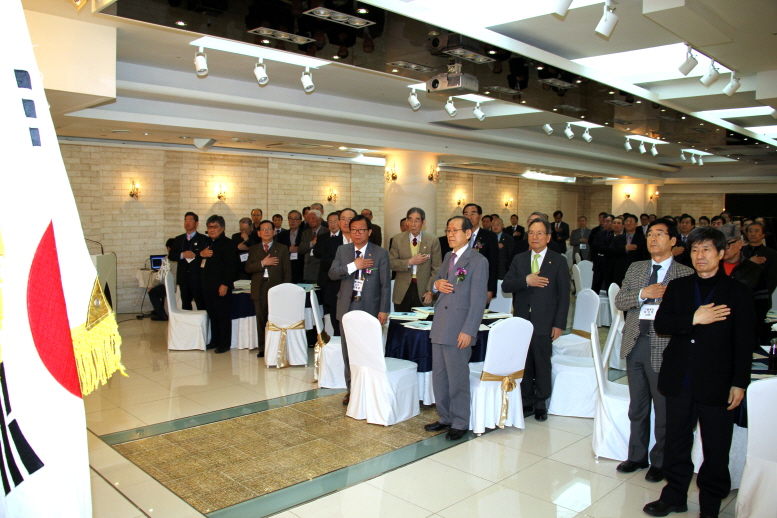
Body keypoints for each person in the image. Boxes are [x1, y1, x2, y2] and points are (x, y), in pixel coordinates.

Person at [644, 226, 754, 518]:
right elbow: (661, 324)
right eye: (695, 250)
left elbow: (744, 342)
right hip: (680, 378)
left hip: (718, 382)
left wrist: (739, 383)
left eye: (706, 249)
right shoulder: (679, 286)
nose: (700, 255)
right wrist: (694, 317)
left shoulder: (738, 292)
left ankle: (710, 505)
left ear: (721, 253)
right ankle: (674, 496)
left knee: (716, 447)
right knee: (677, 441)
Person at [614, 217, 693, 484]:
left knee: (664, 409)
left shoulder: (685, 274)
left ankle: (660, 461)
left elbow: (687, 314)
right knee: (637, 406)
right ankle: (637, 456)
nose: (653, 239)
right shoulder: (636, 268)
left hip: (666, 347)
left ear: (673, 241)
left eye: (660, 234)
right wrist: (642, 293)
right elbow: (620, 300)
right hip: (636, 342)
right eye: (650, 235)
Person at [424, 215, 488, 440]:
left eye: (455, 230)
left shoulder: (478, 261)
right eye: (448, 230)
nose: (450, 234)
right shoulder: (448, 257)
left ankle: (460, 421)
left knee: (457, 378)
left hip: (459, 328)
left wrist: (469, 330)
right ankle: (445, 417)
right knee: (440, 377)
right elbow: (436, 283)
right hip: (441, 325)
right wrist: (435, 285)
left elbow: (478, 301)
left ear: (468, 234)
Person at [502, 217, 570, 421]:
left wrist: (559, 324)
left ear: (548, 237)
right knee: (524, 362)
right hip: (522, 320)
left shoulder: (558, 260)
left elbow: (564, 296)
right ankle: (526, 401)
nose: (535, 237)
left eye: (540, 233)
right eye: (531, 233)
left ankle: (541, 403)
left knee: (541, 363)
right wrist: (526, 280)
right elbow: (506, 285)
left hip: (545, 321)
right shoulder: (520, 259)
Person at [329, 214, 391, 404]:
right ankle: (352, 390)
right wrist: (353, 266)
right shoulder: (343, 250)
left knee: (368, 350)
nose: (357, 233)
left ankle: (370, 389)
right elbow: (332, 274)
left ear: (369, 232)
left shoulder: (380, 253)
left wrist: (384, 310)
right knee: (348, 350)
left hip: (370, 308)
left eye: (361, 230)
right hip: (347, 307)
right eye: (353, 230)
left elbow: (385, 285)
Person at [245, 220, 292, 358]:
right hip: (259, 288)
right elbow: (248, 268)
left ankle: (278, 346)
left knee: (276, 319)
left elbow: (287, 271)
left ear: (274, 231)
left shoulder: (282, 248)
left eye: (269, 229)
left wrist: (285, 290)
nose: (266, 231)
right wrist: (262, 263)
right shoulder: (253, 249)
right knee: (261, 319)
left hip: (276, 289)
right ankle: (263, 347)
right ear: (259, 233)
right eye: (263, 229)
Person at [389, 207, 441, 312]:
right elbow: (391, 263)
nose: (413, 224)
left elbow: (437, 268)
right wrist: (410, 262)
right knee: (401, 320)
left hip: (423, 289)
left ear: (423, 222)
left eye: (417, 221)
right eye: (410, 220)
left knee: (423, 320)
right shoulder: (397, 239)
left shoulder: (432, 240)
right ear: (406, 222)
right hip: (402, 291)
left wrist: (430, 291)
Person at [199, 215, 237, 353]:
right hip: (207, 285)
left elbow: (231, 267)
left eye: (215, 227)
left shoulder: (228, 244)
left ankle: (224, 344)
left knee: (222, 315)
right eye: (209, 227)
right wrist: (201, 254)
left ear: (222, 228)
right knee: (212, 315)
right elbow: (200, 262)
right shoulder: (206, 242)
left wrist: (225, 284)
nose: (212, 230)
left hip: (221, 285)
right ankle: (214, 340)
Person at [742, 221, 777, 343]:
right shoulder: (741, 252)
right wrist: (749, 262)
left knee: (759, 331)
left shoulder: (771, 254)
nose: (753, 234)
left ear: (763, 235)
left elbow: (772, 279)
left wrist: (762, 294)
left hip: (761, 299)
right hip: (741, 297)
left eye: (756, 231)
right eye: (750, 231)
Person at [462, 203, 499, 304]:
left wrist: (490, 290)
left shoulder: (489, 236)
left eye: (473, 214)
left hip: (480, 286)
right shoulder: (459, 235)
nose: (469, 217)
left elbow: (493, 265)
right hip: (460, 286)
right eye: (466, 214)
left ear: (480, 216)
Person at [169, 212, 205, 311]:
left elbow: (206, 256)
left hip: (198, 278)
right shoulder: (179, 239)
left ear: (196, 223)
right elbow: (171, 255)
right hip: (183, 278)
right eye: (185, 220)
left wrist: (197, 254)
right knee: (185, 305)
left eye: (190, 220)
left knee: (201, 305)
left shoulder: (203, 239)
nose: (187, 223)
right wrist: (182, 255)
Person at [314, 211, 343, 331]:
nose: (332, 224)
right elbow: (317, 253)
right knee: (328, 305)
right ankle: (328, 331)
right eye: (330, 222)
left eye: (335, 221)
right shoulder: (323, 237)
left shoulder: (344, 238)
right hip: (326, 277)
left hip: (340, 278)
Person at [611, 214, 648, 287]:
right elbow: (611, 251)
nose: (628, 223)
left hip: (636, 272)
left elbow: (645, 256)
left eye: (631, 221)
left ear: (636, 224)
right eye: (627, 221)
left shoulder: (642, 239)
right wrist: (624, 249)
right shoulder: (617, 238)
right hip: (620, 271)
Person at [148, 238, 175, 321]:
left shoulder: (167, 259)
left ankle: (161, 314)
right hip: (183, 286)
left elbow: (160, 276)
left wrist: (152, 286)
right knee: (161, 288)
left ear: (169, 248)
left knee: (152, 292)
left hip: (172, 287)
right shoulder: (183, 257)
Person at [276, 210, 304, 283]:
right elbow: (277, 251)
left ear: (300, 221)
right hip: (285, 268)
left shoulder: (304, 234)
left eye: (295, 219)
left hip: (301, 269)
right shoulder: (281, 235)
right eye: (290, 218)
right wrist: (288, 249)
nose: (292, 221)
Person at [299, 209, 324, 284]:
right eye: (308, 219)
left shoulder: (326, 232)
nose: (310, 221)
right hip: (308, 271)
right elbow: (301, 249)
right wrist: (312, 243)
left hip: (321, 269)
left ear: (320, 220)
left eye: (313, 218)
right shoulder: (305, 233)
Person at [591, 214, 614, 293]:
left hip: (609, 263)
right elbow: (594, 246)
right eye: (604, 221)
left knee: (609, 286)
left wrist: (602, 248)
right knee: (595, 286)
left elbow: (611, 248)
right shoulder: (599, 233)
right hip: (599, 262)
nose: (605, 223)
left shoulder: (615, 234)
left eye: (608, 221)